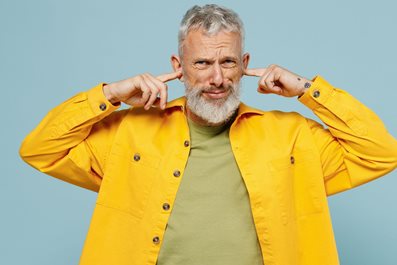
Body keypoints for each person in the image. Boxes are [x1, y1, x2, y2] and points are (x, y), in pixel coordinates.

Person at [19, 4, 397, 265]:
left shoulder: (292, 137)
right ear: (178, 66)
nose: (216, 78)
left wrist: (306, 90)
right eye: (201, 63)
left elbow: (381, 153)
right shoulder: (131, 133)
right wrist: (110, 96)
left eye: (227, 61)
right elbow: (40, 150)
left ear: (244, 64)